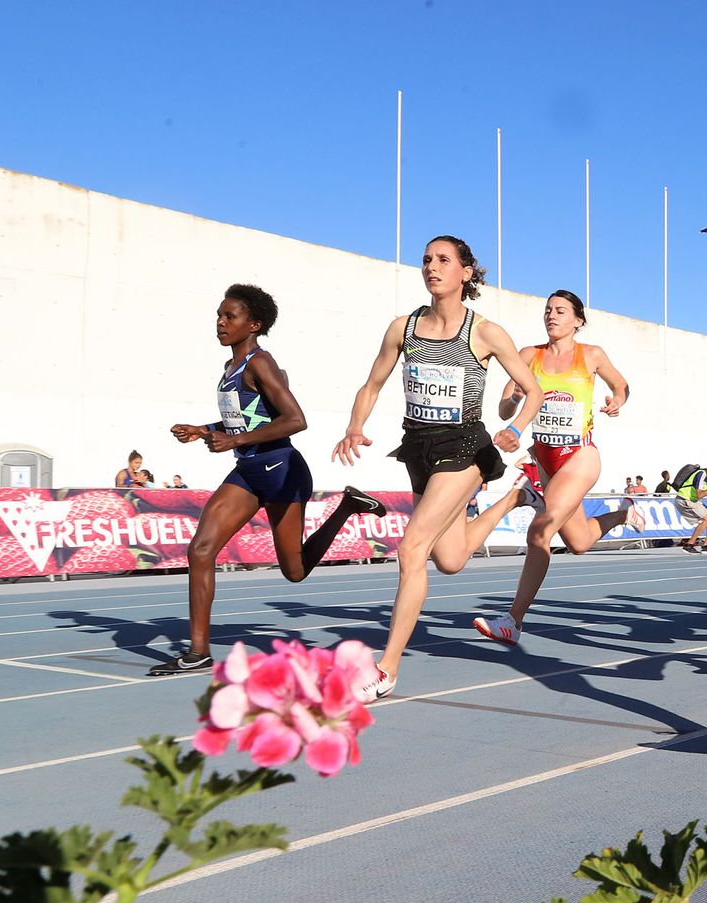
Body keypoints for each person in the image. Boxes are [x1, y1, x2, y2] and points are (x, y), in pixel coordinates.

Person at [334, 236, 544, 698]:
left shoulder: (484, 331)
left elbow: (533, 390)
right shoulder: (403, 328)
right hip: (419, 447)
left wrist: (518, 429)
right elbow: (371, 384)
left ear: (466, 272)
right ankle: (515, 498)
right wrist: (355, 426)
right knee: (448, 559)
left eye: (444, 260)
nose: (432, 266)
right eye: (427, 260)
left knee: (412, 551)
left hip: (465, 446)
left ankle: (386, 669)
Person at [153, 283, 386, 675]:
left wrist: (235, 439)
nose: (221, 323)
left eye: (230, 317)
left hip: (280, 471)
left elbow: (296, 420)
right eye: (219, 315)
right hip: (248, 471)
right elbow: (242, 421)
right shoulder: (230, 369)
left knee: (294, 572)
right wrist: (203, 429)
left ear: (254, 324)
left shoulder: (261, 362)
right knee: (201, 550)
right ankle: (198, 651)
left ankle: (346, 507)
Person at [470, 290, 646, 645]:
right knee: (579, 541)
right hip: (547, 461)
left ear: (577, 320)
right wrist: (517, 396)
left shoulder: (591, 355)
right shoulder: (527, 355)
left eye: (561, 311)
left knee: (539, 532)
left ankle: (512, 621)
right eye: (548, 310)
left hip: (580, 456)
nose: (552, 315)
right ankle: (623, 515)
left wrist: (617, 401)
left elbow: (621, 384)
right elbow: (504, 410)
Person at [674, 459, 707, 553]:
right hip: (684, 499)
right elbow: (700, 495)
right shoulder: (702, 474)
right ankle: (689, 545)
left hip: (693, 500)